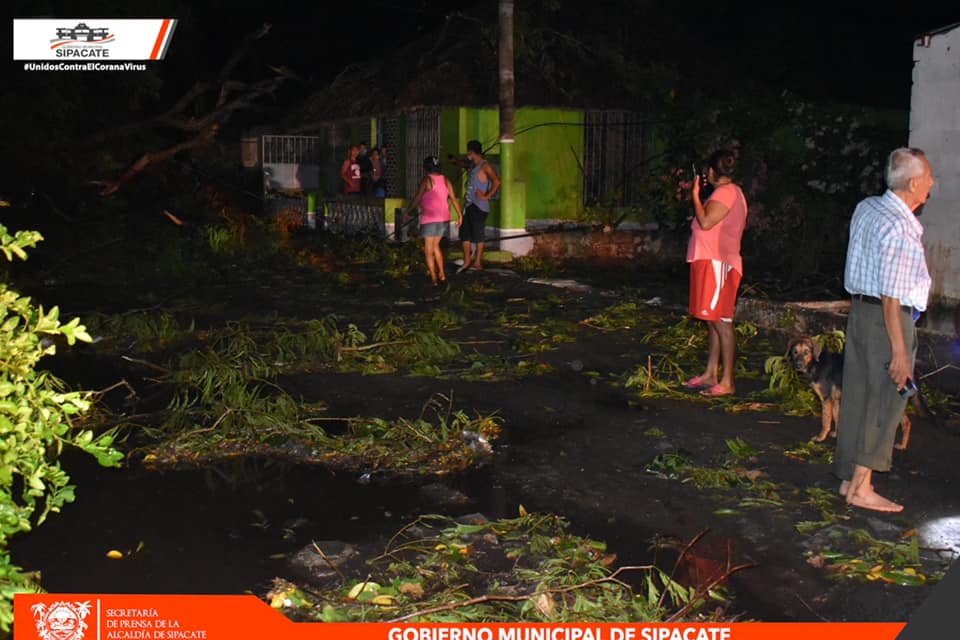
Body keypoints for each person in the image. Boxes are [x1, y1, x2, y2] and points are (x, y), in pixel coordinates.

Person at [834, 147, 934, 513]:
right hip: (887, 321)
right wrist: (901, 351)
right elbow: (892, 297)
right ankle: (861, 487)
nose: (931, 184)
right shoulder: (900, 227)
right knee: (887, 400)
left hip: (860, 312)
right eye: (928, 178)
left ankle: (848, 474)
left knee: (858, 394)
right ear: (913, 182)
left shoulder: (868, 208)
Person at [682, 149, 749, 397]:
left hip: (719, 263)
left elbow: (706, 222)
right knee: (712, 321)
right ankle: (711, 373)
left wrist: (696, 196)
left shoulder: (727, 192)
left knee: (722, 321)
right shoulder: (727, 193)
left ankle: (728, 381)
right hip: (710, 262)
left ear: (711, 171)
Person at [403, 156, 463, 286]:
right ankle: (442, 274)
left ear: (426, 167)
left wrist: (408, 212)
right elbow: (453, 198)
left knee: (428, 249)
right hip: (444, 218)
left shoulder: (427, 180)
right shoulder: (446, 180)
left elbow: (418, 198)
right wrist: (459, 215)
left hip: (430, 218)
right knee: (436, 246)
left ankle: (434, 279)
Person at [458, 140, 500, 272]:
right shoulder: (473, 166)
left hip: (479, 206)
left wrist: (487, 195)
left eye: (468, 152)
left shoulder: (485, 166)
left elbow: (497, 181)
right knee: (465, 234)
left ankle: (477, 262)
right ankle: (467, 261)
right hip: (469, 204)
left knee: (478, 235)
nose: (467, 154)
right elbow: (464, 164)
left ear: (472, 152)